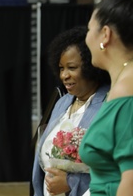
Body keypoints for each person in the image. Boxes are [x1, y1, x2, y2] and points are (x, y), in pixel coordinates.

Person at [32, 26, 110, 196]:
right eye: (61, 68)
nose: (64, 76)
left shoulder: (108, 105)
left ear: (92, 66)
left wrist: (71, 182)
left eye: (72, 68)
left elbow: (114, 171)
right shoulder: (63, 102)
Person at [80, 0, 133, 196]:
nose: (86, 37)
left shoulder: (128, 90)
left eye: (89, 29)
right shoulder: (122, 83)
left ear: (105, 34)